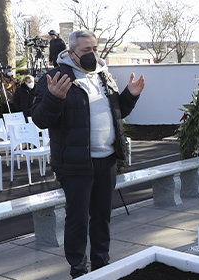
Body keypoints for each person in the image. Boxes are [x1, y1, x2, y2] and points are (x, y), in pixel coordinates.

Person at [32, 30, 145, 279]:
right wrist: (54, 98)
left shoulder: (104, 75)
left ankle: (102, 265)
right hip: (75, 165)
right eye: (86, 50)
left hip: (106, 161)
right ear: (71, 52)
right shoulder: (55, 77)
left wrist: (130, 96)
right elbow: (40, 119)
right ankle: (79, 270)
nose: (92, 53)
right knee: (78, 220)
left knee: (102, 217)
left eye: (95, 48)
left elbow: (117, 112)